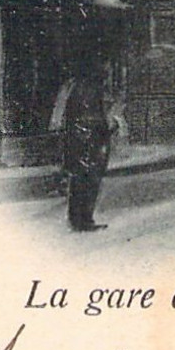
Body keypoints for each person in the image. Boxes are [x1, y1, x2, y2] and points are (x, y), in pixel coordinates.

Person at [61, 63, 116, 231]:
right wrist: (109, 127)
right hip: (90, 139)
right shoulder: (91, 89)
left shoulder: (75, 88)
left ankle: (78, 219)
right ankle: (84, 220)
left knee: (79, 179)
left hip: (80, 138)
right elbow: (94, 118)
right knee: (89, 179)